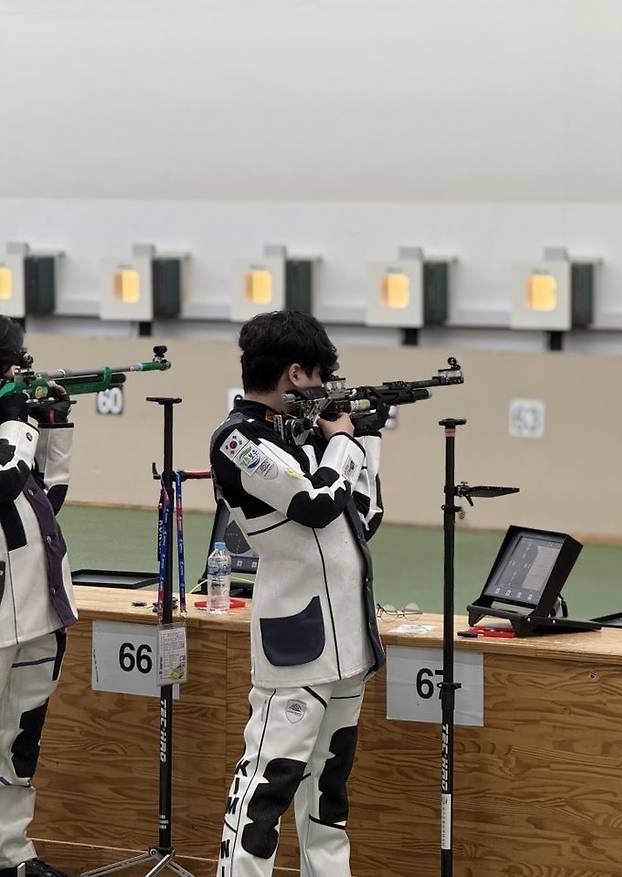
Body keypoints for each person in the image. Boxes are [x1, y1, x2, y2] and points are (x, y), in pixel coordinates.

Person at [210, 310, 387, 877]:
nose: (324, 388)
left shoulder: (304, 439)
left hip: (347, 643)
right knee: (268, 787)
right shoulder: (238, 440)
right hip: (297, 645)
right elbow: (314, 504)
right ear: (294, 373)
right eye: (318, 376)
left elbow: (364, 516)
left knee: (328, 795)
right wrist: (344, 442)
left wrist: (367, 441)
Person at [0, 317, 77, 877]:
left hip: (35, 612)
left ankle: (12, 855)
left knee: (18, 744)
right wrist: (13, 419)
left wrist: (54, 424)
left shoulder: (10, 428)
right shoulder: (6, 430)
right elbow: (4, 478)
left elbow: (46, 494)